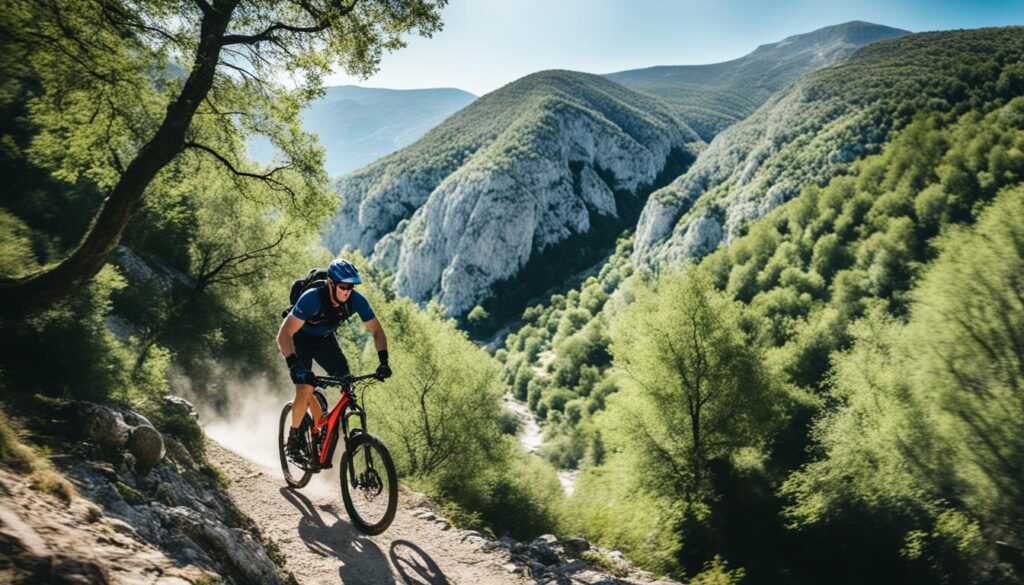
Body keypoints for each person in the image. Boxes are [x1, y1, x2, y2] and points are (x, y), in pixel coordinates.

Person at [276, 258, 391, 463]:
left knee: (347, 381)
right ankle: (293, 442)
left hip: (325, 340)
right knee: (305, 386)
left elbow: (377, 331)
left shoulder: (356, 300)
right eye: (343, 286)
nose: (347, 291)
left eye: (351, 287)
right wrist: (294, 366)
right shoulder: (312, 298)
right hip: (299, 339)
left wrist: (383, 361)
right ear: (331, 284)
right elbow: (284, 334)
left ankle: (322, 426)